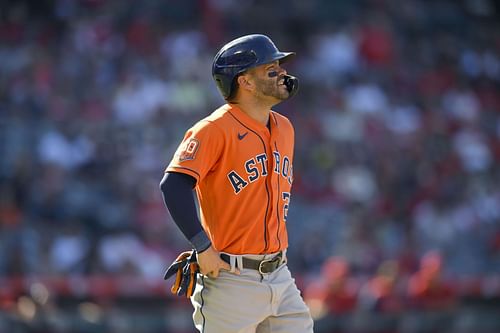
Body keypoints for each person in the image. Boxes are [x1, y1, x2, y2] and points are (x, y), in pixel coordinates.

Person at [160, 34, 313, 333]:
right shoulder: (214, 129)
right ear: (246, 82)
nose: (283, 73)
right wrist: (202, 246)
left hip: (279, 274)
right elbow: (173, 185)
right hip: (231, 277)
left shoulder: (284, 127)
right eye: (272, 69)